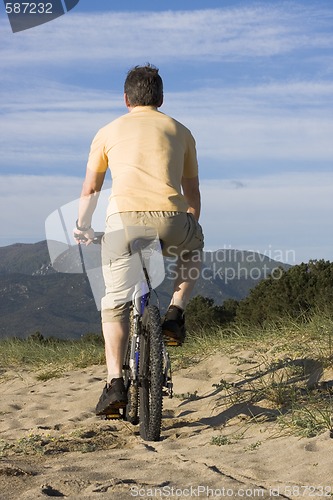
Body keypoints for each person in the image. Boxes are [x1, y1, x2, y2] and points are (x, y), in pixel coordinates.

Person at [74, 64, 204, 416]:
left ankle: (115, 381)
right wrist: (188, 223)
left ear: (126, 99)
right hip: (171, 219)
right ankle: (175, 313)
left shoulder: (107, 131)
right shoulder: (181, 131)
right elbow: (193, 194)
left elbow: (91, 189)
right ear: (161, 98)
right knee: (193, 249)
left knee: (114, 304)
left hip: (122, 224)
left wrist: (83, 226)